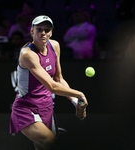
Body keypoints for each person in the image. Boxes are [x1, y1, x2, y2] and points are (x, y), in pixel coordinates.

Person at [10, 15, 88, 150]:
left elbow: (58, 79)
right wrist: (79, 94)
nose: (43, 33)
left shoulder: (55, 46)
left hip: (46, 108)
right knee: (51, 143)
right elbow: (52, 86)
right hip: (26, 109)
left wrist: (75, 102)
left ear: (51, 32)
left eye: (47, 30)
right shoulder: (27, 54)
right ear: (32, 31)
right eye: (39, 29)